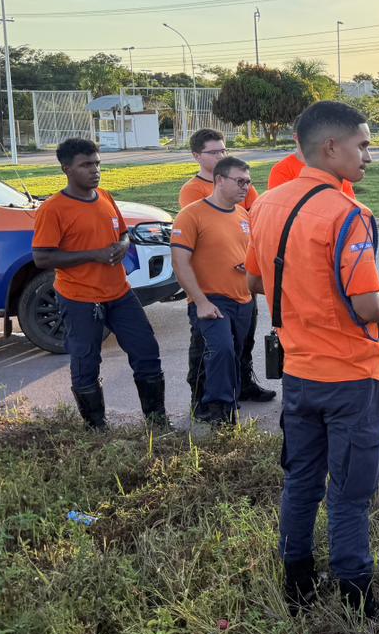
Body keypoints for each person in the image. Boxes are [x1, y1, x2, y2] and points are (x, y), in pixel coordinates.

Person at [245, 101, 379, 618]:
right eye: (363, 145)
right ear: (331, 147)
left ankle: (297, 587)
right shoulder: (347, 213)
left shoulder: (265, 204)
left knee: (301, 482)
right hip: (350, 377)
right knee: (350, 495)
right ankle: (358, 600)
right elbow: (364, 305)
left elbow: (254, 280)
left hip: (297, 374)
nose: (369, 156)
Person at [31, 138, 165, 429]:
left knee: (146, 351)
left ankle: (157, 421)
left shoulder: (104, 196)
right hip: (80, 298)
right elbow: (42, 258)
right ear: (67, 169)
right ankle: (96, 426)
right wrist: (95, 255)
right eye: (86, 165)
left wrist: (123, 245)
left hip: (120, 293)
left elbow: (123, 233)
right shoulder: (53, 209)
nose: (95, 170)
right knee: (86, 362)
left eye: (97, 164)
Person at [178, 129, 274, 409]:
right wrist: (200, 299)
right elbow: (192, 248)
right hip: (211, 293)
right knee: (213, 349)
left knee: (239, 346)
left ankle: (239, 388)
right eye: (214, 151)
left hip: (243, 289)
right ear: (197, 156)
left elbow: (253, 222)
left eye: (224, 149)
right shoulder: (193, 198)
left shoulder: (240, 205)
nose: (222, 154)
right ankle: (206, 403)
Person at [171, 157, 258, 425]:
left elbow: (247, 252)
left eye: (248, 182)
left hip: (243, 298)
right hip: (211, 300)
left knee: (232, 355)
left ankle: (224, 403)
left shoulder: (242, 214)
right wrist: (200, 302)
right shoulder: (192, 214)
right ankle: (218, 411)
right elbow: (179, 261)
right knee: (219, 350)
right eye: (239, 181)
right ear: (219, 180)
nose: (246, 187)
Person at [268, 143, 356, 198]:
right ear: (296, 137)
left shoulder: (334, 167)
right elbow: (279, 207)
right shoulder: (281, 170)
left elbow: (350, 205)